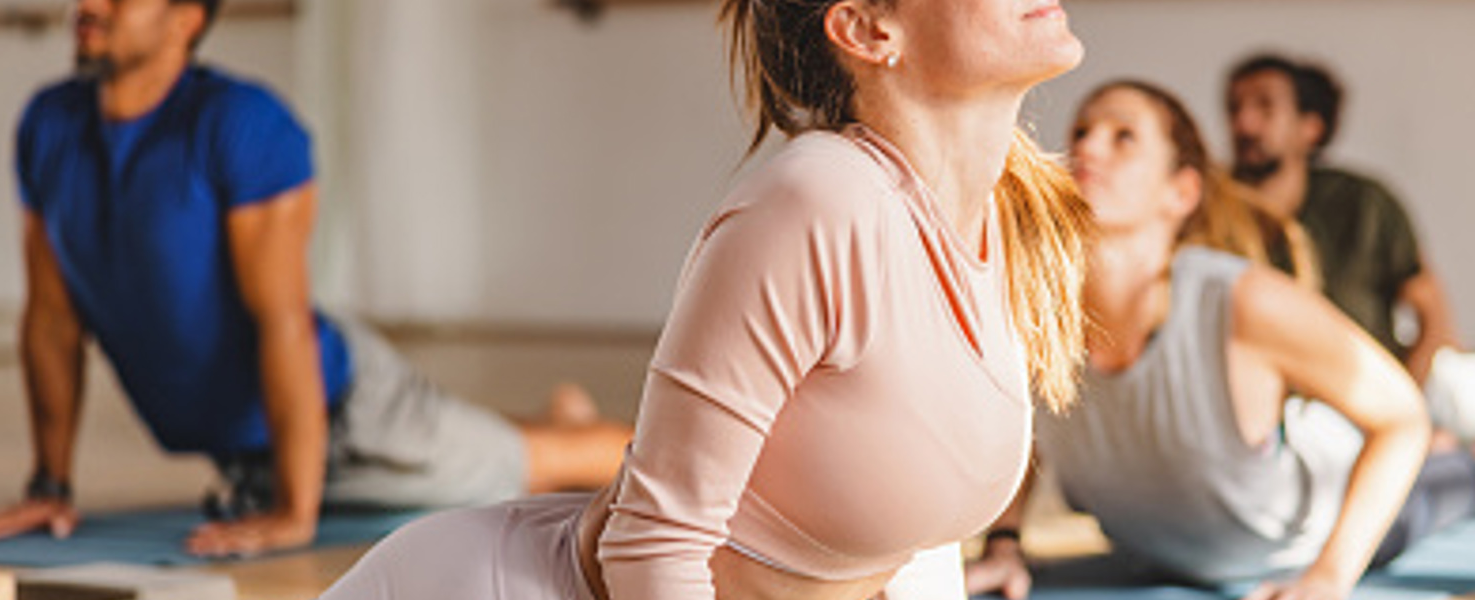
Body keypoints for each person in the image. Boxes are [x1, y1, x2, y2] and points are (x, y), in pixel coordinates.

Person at [317, 0, 1091, 598]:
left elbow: (912, 547)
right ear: (865, 28)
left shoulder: (999, 219)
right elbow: (654, 546)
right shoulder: (819, 201)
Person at [0, 0, 634, 558]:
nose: (89, 5)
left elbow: (284, 321)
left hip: (351, 414)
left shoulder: (242, 124)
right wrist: (50, 486)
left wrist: (296, 514)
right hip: (251, 451)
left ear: (186, 19)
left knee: (548, 467)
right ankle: (558, 415)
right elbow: (51, 320)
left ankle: (700, 460)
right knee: (497, 455)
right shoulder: (50, 126)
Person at [966, 80, 1462, 600]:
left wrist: (1329, 578)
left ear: (1181, 192)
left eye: (1124, 137)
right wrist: (1003, 545)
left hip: (1337, 517)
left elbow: (1403, 417)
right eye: (1083, 131)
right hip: (1178, 548)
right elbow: (1027, 435)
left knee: (1459, 473)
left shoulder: (1244, 302)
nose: (1088, 148)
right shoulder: (1039, 309)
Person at [1224, 53, 1475, 442]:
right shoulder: (1215, 212)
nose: (1244, 123)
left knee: (1468, 397)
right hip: (1281, 400)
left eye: (1265, 106)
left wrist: (1401, 414)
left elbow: (1435, 319)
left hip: (1383, 385)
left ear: (1311, 127)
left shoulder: (1364, 204)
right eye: (1235, 108)